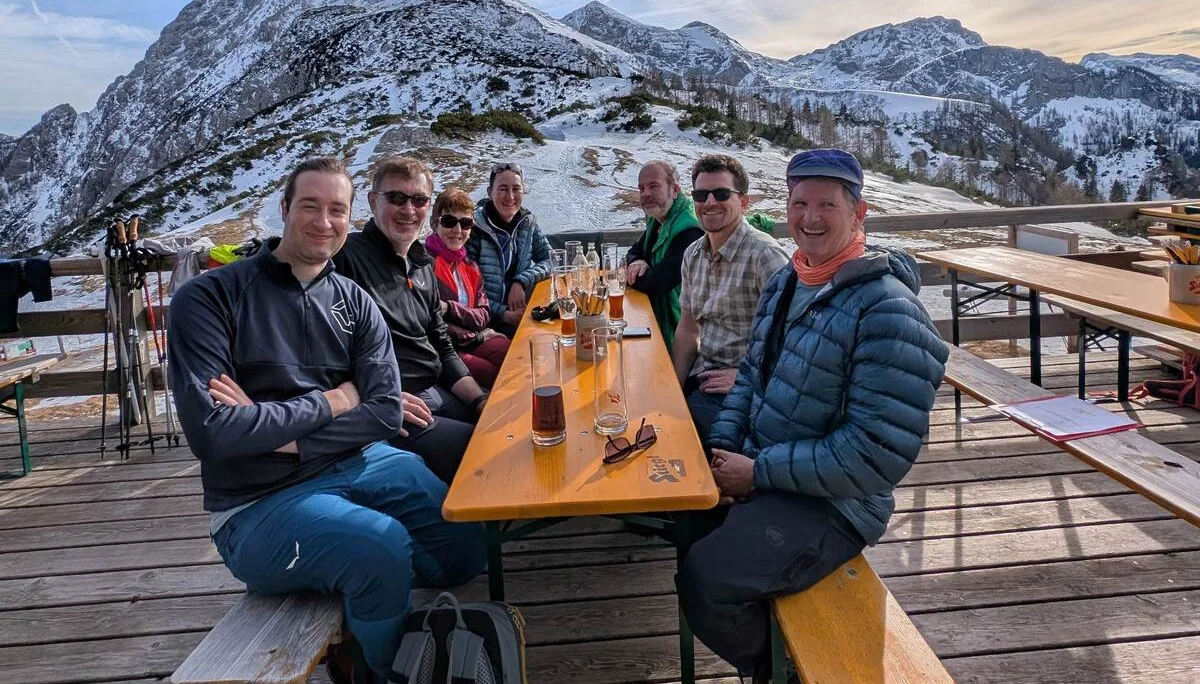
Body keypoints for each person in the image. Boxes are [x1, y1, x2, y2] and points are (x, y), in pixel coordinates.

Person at [168, 157, 485, 684]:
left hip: (364, 462)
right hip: (257, 503)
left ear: (349, 215)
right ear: (285, 208)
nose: (324, 221)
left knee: (466, 546)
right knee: (379, 548)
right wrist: (335, 402)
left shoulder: (353, 302)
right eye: (309, 206)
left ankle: (362, 588)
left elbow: (384, 410)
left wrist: (275, 431)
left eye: (336, 209)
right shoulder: (209, 298)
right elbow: (213, 432)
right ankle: (381, 670)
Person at [675, 149, 948, 683]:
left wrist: (756, 472)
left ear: (859, 213)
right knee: (686, 527)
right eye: (800, 203)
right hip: (773, 471)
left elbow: (874, 456)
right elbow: (751, 376)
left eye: (827, 204)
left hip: (838, 503)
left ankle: (784, 672)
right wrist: (726, 451)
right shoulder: (790, 281)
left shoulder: (887, 309)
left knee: (706, 579)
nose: (810, 217)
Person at [333, 156, 487, 485]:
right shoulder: (345, 258)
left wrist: (479, 399)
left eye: (418, 200)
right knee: (484, 451)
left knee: (503, 427)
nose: (408, 209)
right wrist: (378, 398)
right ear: (374, 201)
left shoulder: (421, 263)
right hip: (391, 405)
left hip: (434, 391)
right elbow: (325, 351)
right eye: (397, 198)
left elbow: (442, 344)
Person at [674, 154, 789, 441]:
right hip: (704, 374)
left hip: (748, 389)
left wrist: (745, 377)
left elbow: (794, 339)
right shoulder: (693, 254)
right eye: (701, 195)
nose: (710, 202)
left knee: (681, 440)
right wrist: (672, 389)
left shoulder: (765, 255)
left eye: (722, 193)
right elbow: (688, 329)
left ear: (744, 202)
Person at [426, 187, 511, 389]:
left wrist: (449, 308)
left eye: (465, 223)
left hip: (475, 339)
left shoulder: (470, 267)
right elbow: (432, 322)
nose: (458, 230)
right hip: (447, 349)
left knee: (517, 356)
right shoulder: (424, 265)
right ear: (434, 223)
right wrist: (477, 334)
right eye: (449, 221)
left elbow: (483, 315)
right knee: (494, 374)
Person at [624, 160, 703, 351]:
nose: (646, 193)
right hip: (659, 323)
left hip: (683, 338)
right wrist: (640, 261)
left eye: (654, 186)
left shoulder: (689, 229)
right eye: (641, 188)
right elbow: (632, 253)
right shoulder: (659, 220)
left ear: (674, 189)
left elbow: (657, 283)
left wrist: (637, 271)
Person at [468, 162, 552, 337]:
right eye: (503, 189)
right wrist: (503, 314)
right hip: (486, 323)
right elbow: (468, 291)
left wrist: (521, 281)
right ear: (490, 192)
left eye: (516, 189)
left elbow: (551, 259)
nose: (510, 196)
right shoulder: (474, 229)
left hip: (520, 314)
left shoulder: (527, 223)